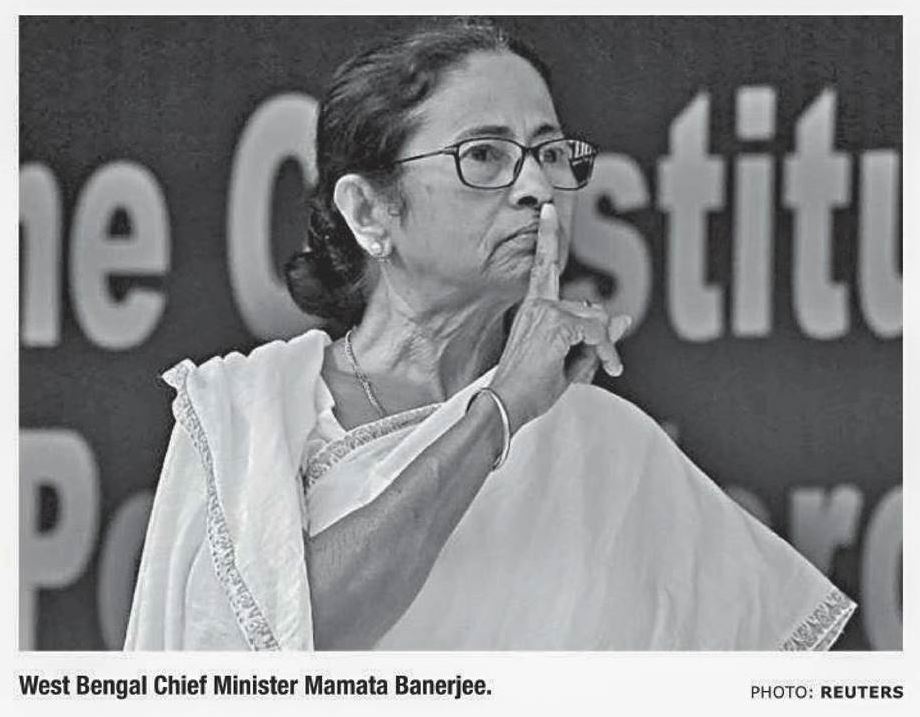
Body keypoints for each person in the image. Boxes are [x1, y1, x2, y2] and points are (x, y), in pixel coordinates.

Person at [125, 19, 855, 651]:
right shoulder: (250, 412)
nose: (537, 188)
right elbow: (285, 644)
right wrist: (500, 410)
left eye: (549, 154)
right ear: (371, 211)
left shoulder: (607, 444)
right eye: (484, 156)